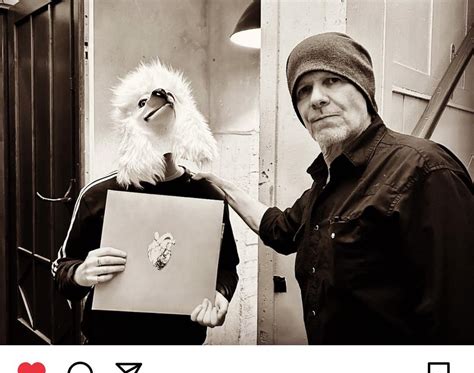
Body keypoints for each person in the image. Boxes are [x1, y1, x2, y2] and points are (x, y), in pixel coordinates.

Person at [194, 32, 474, 344]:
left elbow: (458, 319)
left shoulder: (425, 169)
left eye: (332, 80)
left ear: (364, 90)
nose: (316, 99)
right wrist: (219, 185)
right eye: (304, 90)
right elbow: (280, 230)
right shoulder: (327, 181)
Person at [52, 59, 239, 344]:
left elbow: (226, 267)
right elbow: (61, 269)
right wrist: (81, 273)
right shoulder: (97, 195)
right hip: (109, 343)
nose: (157, 99)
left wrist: (220, 295)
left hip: (182, 343)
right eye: (142, 101)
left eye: (168, 96)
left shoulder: (208, 194)